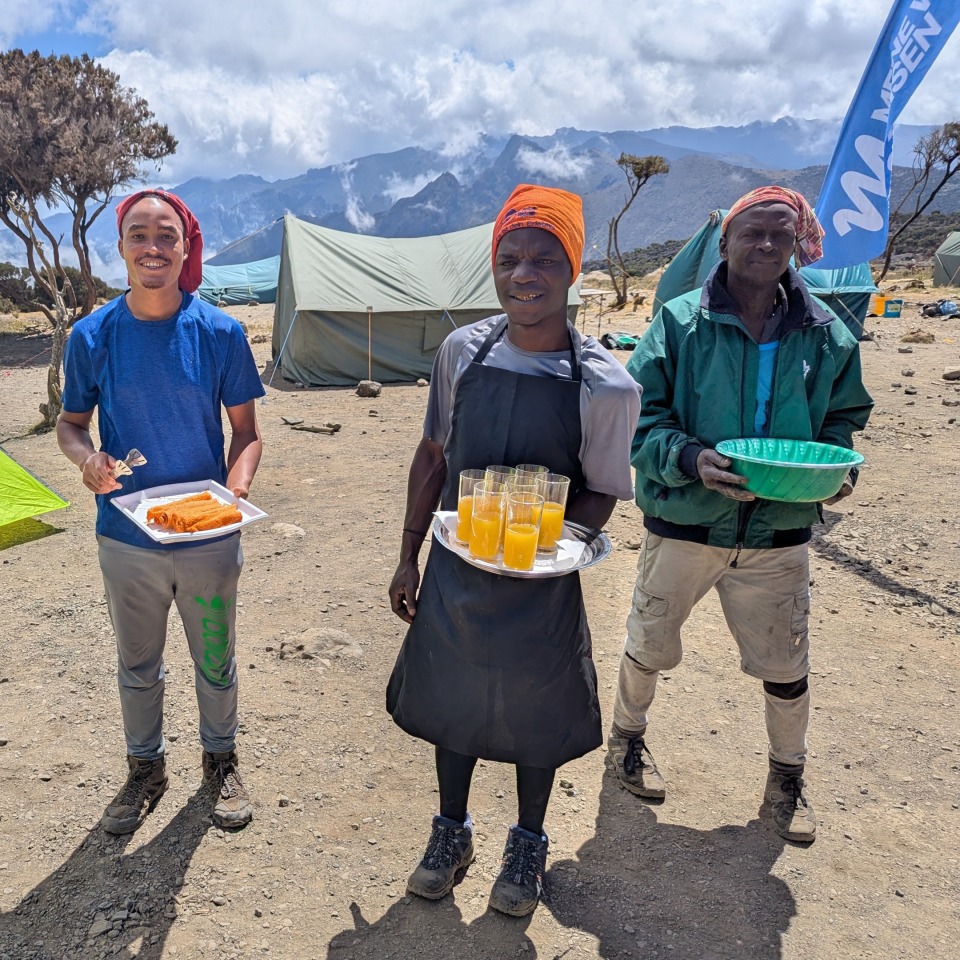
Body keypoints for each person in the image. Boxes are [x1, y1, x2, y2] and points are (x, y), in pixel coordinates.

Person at [386, 184, 641, 916]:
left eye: (543, 258)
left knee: (538, 709)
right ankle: (450, 830)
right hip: (456, 564)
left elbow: (601, 490)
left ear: (571, 268)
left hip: (541, 577)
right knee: (450, 695)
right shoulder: (463, 351)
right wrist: (408, 553)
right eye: (509, 258)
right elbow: (433, 454)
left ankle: (528, 841)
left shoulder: (605, 384)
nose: (523, 273)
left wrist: (551, 548)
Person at [607, 186, 873, 843]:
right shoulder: (679, 325)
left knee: (785, 664)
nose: (765, 246)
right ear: (721, 243)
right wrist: (689, 458)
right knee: (648, 644)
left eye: (780, 236)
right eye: (751, 233)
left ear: (797, 247)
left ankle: (787, 780)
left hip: (778, 533)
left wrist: (836, 468)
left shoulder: (827, 335)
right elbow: (637, 421)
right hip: (687, 523)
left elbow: (844, 418)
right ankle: (626, 743)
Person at [56, 189, 265, 834]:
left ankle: (220, 759)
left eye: (166, 235)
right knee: (137, 663)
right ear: (120, 247)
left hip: (206, 534)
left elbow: (247, 433)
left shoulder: (220, 333)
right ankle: (145, 768)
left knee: (214, 654)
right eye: (139, 234)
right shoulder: (93, 336)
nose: (153, 247)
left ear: (185, 248)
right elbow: (69, 425)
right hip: (126, 535)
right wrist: (86, 460)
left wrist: (234, 494)